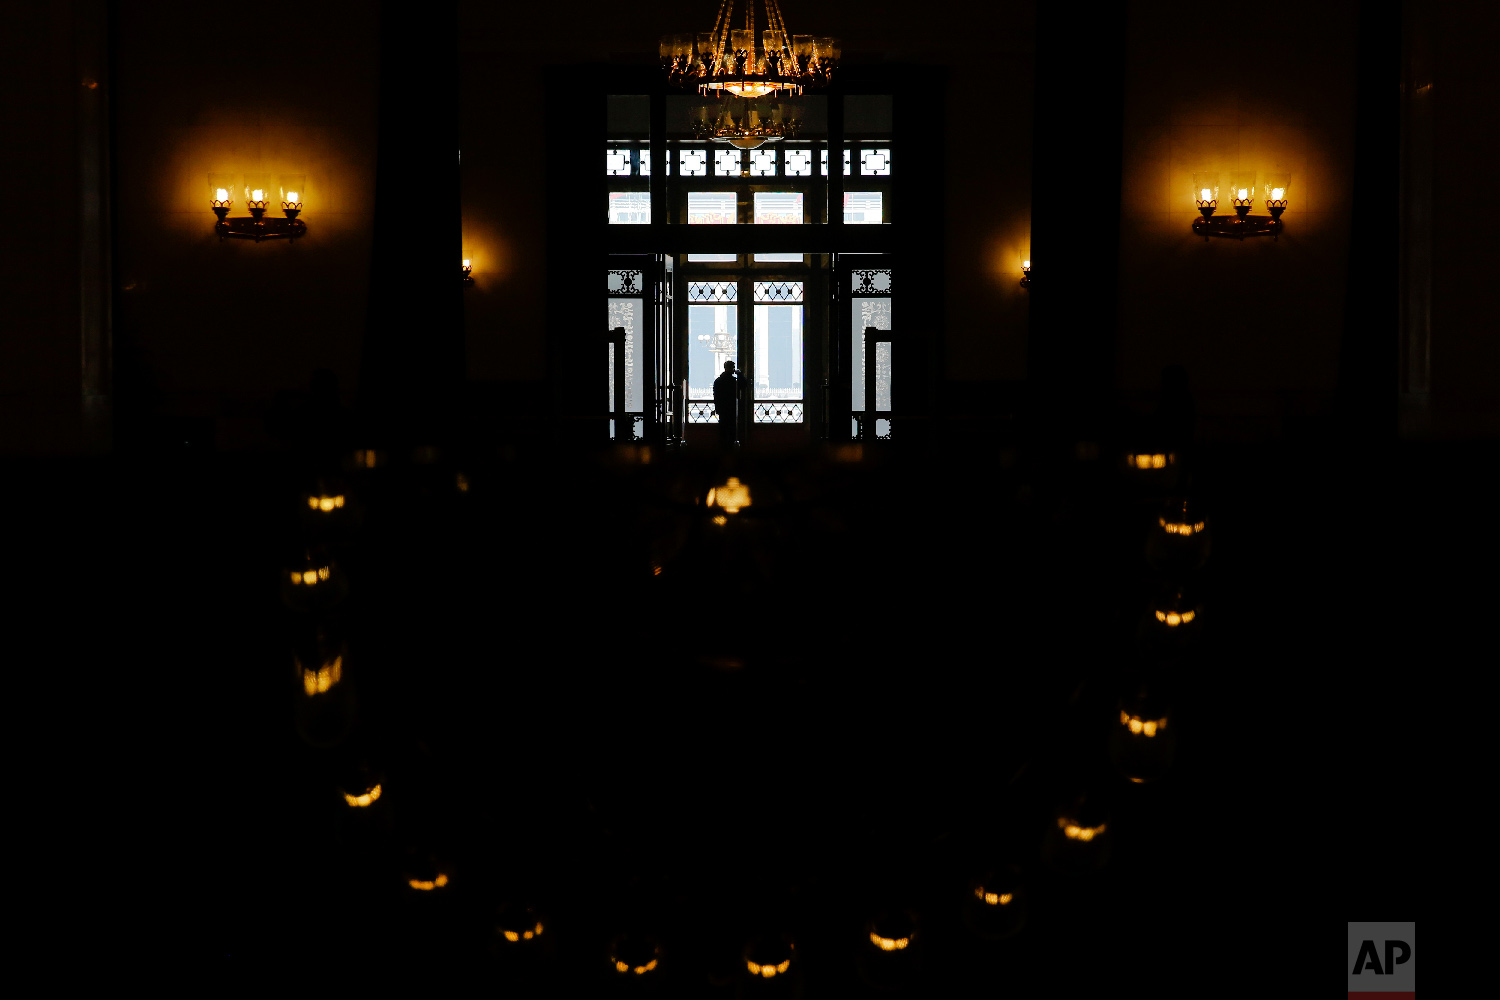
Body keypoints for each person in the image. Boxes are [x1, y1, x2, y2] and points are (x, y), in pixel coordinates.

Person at [713, 360, 739, 448]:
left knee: (723, 431)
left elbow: (716, 396)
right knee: (732, 431)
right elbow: (744, 384)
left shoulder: (718, 380)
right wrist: (740, 374)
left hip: (722, 409)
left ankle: (723, 449)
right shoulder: (733, 381)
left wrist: (718, 408)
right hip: (732, 408)